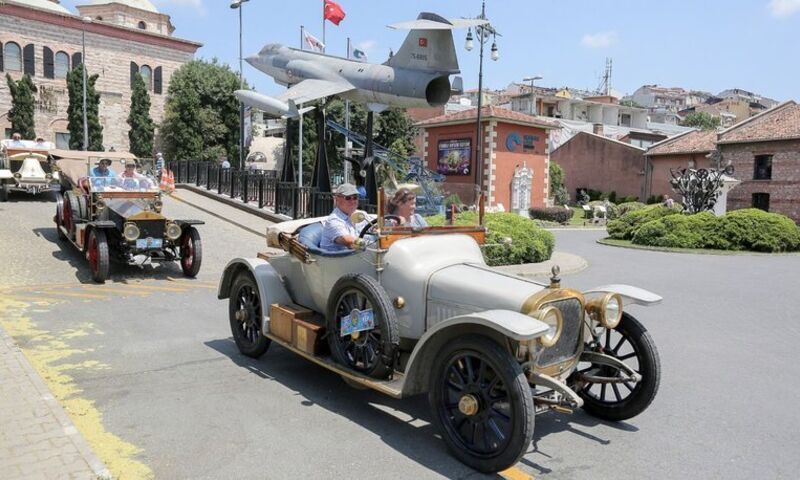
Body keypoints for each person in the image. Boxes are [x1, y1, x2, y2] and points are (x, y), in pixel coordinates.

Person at [320, 183, 370, 252]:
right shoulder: (334, 221)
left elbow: (376, 226)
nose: (352, 201)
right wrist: (372, 243)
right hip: (339, 258)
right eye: (348, 198)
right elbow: (350, 242)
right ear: (337, 200)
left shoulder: (362, 214)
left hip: (360, 256)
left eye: (355, 198)